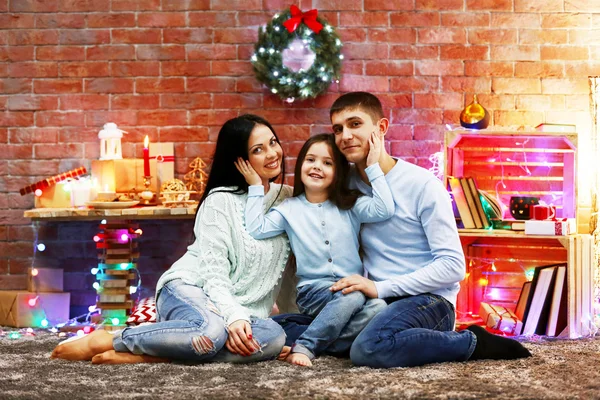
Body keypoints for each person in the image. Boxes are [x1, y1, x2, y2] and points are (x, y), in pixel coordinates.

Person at [51, 114, 293, 365]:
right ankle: (113, 339)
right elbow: (214, 274)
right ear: (240, 160)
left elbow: (289, 266)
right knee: (209, 333)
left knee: (274, 337)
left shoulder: (288, 200)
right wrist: (232, 317)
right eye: (258, 149)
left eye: (273, 143)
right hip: (191, 288)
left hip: (240, 312)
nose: (272, 153)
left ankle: (157, 355)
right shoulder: (221, 200)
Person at [325, 91, 532, 368]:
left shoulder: (422, 184)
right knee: (305, 330)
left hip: (431, 301)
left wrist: (380, 287)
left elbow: (453, 266)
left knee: (368, 350)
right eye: (338, 129)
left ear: (381, 128)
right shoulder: (345, 185)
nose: (345, 136)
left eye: (354, 124)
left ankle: (472, 341)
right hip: (380, 301)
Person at [235, 133, 392, 367]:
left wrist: (372, 167)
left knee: (379, 306)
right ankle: (306, 346)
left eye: (327, 163)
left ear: (338, 171)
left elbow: (384, 209)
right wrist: (256, 188)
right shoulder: (289, 208)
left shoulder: (349, 204)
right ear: (301, 165)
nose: (317, 167)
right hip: (314, 292)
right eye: (311, 160)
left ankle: (320, 342)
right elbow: (257, 228)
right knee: (356, 295)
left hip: (351, 290)